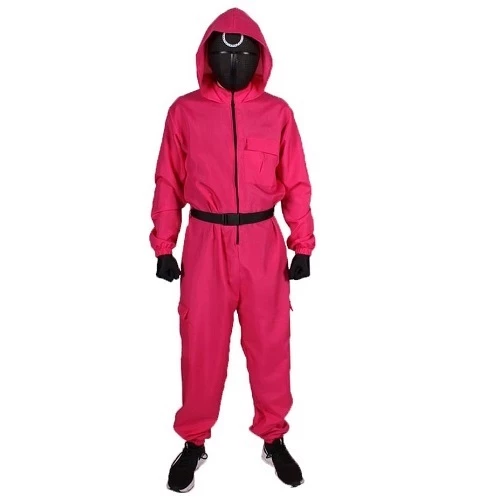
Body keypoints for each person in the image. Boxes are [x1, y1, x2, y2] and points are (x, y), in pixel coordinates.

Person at [150, 7, 315, 492]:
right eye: (223, 51)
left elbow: (296, 181)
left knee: (270, 344)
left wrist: (302, 243)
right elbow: (167, 181)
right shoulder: (184, 112)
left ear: (260, 59)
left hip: (263, 241)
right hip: (205, 241)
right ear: (208, 56)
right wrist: (164, 245)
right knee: (200, 345)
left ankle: (274, 437)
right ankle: (194, 440)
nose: (233, 60)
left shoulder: (278, 113)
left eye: (244, 53)